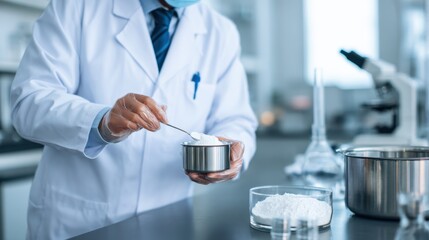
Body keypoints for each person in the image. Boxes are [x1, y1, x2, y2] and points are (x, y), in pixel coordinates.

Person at [10, 0, 257, 239]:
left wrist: (231, 152)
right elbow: (30, 103)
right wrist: (101, 121)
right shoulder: (76, 6)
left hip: (168, 220)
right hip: (79, 222)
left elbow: (236, 119)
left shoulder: (220, 32)